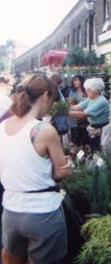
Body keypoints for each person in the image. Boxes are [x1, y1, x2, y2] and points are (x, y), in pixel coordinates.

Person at [0, 74, 72, 264]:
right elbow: (59, 173)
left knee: (10, 257)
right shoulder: (44, 130)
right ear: (45, 95)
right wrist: (64, 170)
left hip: (10, 210)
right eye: (53, 99)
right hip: (42, 212)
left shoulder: (2, 127)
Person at [68, 77, 110, 151]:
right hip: (93, 129)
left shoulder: (101, 101)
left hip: (100, 132)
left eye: (88, 89)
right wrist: (63, 107)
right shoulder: (91, 98)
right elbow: (77, 107)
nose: (86, 91)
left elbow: (82, 114)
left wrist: (64, 113)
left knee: (97, 151)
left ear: (96, 90)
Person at [68, 75, 89, 147]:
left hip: (85, 120)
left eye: (77, 80)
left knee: (85, 142)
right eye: (74, 81)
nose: (75, 82)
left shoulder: (87, 93)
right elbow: (70, 106)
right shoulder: (72, 93)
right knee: (75, 142)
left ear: (81, 81)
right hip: (74, 121)